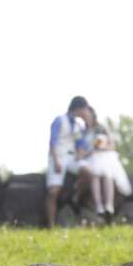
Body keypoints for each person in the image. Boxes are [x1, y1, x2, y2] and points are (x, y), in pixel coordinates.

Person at [45, 96, 94, 228]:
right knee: (53, 191)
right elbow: (53, 143)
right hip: (57, 156)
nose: (85, 112)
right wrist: (56, 161)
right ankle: (51, 225)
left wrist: (81, 154)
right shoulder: (59, 120)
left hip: (72, 157)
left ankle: (75, 198)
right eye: (84, 109)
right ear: (78, 108)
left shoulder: (78, 126)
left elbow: (81, 145)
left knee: (87, 171)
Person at [83, 106, 132, 221]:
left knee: (106, 173)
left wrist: (101, 148)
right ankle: (98, 206)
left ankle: (109, 206)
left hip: (104, 156)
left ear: (92, 113)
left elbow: (112, 146)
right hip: (91, 157)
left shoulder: (103, 128)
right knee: (95, 174)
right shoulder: (83, 131)